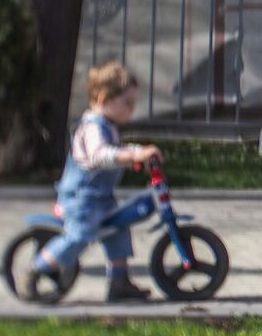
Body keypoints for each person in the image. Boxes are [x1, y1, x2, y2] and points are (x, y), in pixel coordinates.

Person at [18, 62, 161, 303]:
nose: (132, 109)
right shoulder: (92, 127)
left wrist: (138, 152)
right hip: (81, 199)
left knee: (118, 229)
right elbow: (100, 155)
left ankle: (119, 282)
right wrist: (134, 156)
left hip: (99, 198)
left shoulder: (108, 126)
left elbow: (115, 150)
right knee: (80, 235)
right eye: (127, 103)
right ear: (104, 100)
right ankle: (35, 270)